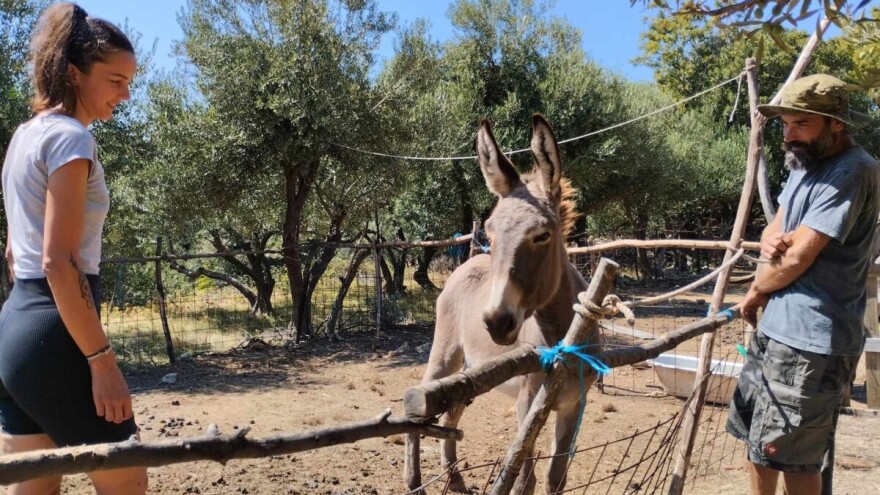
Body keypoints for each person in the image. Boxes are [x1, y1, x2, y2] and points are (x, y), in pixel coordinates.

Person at [0, 3, 147, 494]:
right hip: (57, 333)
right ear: (73, 72)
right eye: (114, 80)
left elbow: (12, 253)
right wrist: (102, 361)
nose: (125, 94)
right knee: (127, 483)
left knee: (34, 487)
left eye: (129, 82)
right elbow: (58, 260)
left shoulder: (25, 137)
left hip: (15, 326)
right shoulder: (71, 139)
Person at [728, 74, 879, 495]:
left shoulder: (853, 170)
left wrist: (758, 289)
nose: (789, 136)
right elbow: (781, 224)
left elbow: (798, 255)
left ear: (837, 124)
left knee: (795, 458)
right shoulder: (806, 161)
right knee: (760, 443)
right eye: (785, 125)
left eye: (802, 124)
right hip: (779, 330)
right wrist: (768, 239)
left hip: (810, 341)